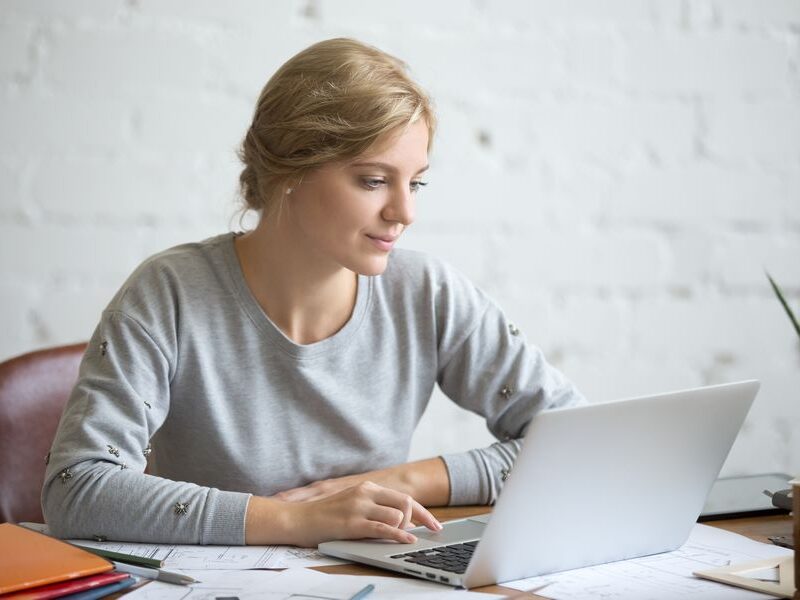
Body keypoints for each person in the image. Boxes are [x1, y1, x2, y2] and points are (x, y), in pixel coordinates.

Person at [42, 38, 585, 547]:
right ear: (289, 172)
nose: (405, 212)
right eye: (374, 180)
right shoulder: (170, 294)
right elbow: (76, 487)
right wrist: (294, 519)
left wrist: (402, 480)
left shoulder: (429, 293)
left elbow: (574, 439)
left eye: (415, 182)